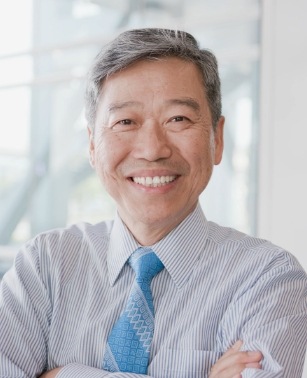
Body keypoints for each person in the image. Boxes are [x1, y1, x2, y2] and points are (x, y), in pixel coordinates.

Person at [0, 28, 306, 378]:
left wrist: (64, 374)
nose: (152, 149)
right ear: (92, 145)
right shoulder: (45, 266)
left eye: (178, 119)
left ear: (217, 139)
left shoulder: (267, 278)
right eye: (125, 122)